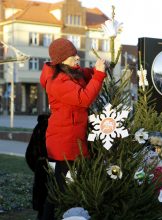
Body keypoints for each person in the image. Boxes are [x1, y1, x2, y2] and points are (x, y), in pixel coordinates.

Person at [39, 38, 107, 220]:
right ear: (62, 60)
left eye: (76, 54)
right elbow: (84, 98)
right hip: (64, 145)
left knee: (67, 186)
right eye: (72, 56)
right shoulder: (57, 81)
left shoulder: (70, 72)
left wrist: (97, 69)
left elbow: (85, 73)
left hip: (72, 141)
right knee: (61, 189)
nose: (77, 58)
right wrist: (99, 76)